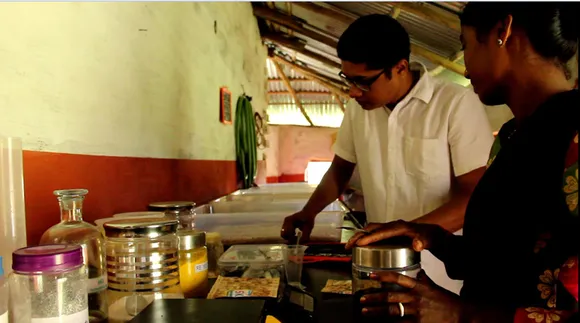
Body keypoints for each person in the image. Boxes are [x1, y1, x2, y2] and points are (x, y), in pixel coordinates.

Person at [347, 3, 578, 322]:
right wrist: (431, 237)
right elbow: (506, 257)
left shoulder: (574, 137)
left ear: (502, 32)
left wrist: (460, 314)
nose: (466, 69)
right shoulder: (512, 135)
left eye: (466, 45)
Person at [281, 14, 494, 294]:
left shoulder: (455, 104)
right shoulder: (359, 110)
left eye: (364, 81)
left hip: (439, 272)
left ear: (400, 67)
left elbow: (473, 199)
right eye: (348, 79)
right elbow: (339, 170)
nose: (353, 92)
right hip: (377, 265)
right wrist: (309, 212)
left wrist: (406, 230)